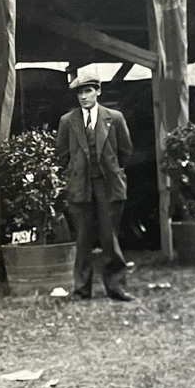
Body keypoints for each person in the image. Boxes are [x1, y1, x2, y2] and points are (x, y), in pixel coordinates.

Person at [56, 73, 135, 302]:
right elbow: (61, 153)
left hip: (107, 185)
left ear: (98, 92)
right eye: (80, 93)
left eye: (88, 91)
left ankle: (116, 287)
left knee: (109, 237)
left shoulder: (114, 118)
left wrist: (113, 171)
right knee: (82, 239)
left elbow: (125, 151)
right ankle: (81, 290)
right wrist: (73, 173)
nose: (84, 96)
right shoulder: (67, 121)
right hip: (80, 185)